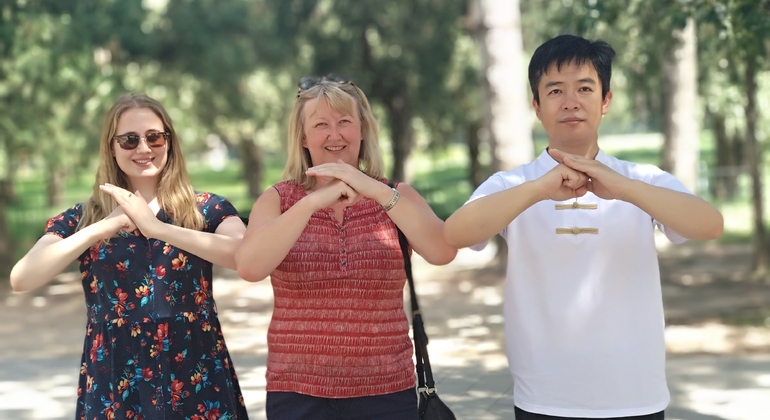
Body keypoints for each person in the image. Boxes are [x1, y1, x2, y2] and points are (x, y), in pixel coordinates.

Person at [444, 35, 724, 419]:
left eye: (585, 88)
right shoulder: (512, 185)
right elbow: (455, 234)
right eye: (555, 90)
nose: (571, 101)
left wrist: (624, 189)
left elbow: (710, 225)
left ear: (606, 101)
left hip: (634, 394)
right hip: (543, 396)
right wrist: (540, 189)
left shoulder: (640, 179)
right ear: (537, 106)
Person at [10, 93, 250, 419]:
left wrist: (158, 229)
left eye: (154, 137)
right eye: (129, 140)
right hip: (115, 381)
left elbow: (245, 257)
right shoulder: (85, 217)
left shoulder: (206, 208)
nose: (144, 148)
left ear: (169, 141)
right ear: (111, 146)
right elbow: (22, 278)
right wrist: (95, 231)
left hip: (196, 373)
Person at [235, 76, 457, 420]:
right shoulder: (278, 199)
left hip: (386, 389)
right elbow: (250, 267)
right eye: (321, 124)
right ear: (304, 137)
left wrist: (377, 191)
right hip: (297, 392)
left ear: (363, 130)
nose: (334, 135)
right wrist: (311, 202)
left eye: (344, 122)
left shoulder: (397, 196)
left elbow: (443, 251)